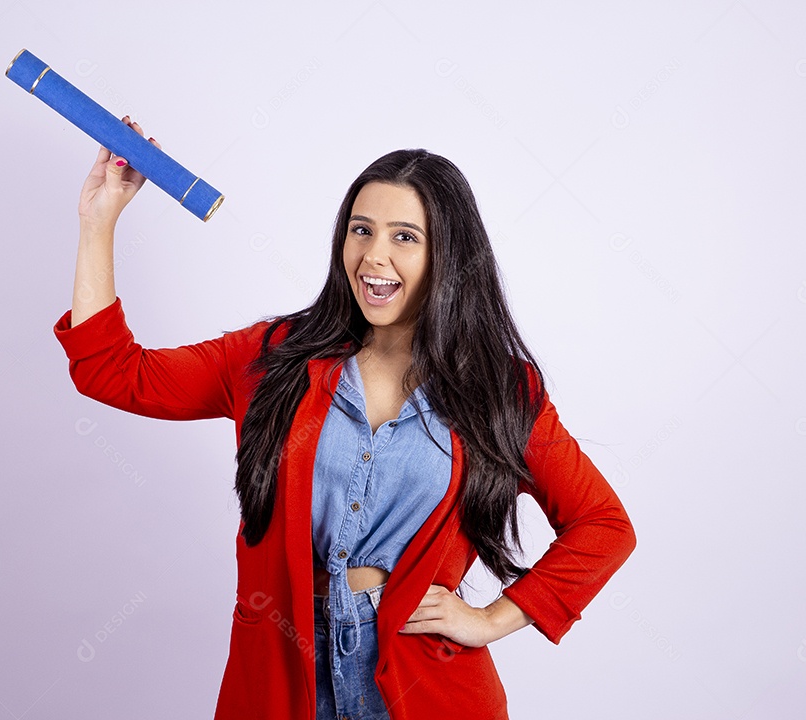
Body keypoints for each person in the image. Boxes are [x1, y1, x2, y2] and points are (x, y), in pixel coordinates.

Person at [53, 115, 637, 720]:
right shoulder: (272, 358)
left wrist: (492, 619)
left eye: (405, 237)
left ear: (449, 255)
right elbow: (115, 373)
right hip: (281, 675)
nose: (373, 256)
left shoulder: (501, 393)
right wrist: (98, 221)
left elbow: (603, 525)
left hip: (424, 686)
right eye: (362, 230)